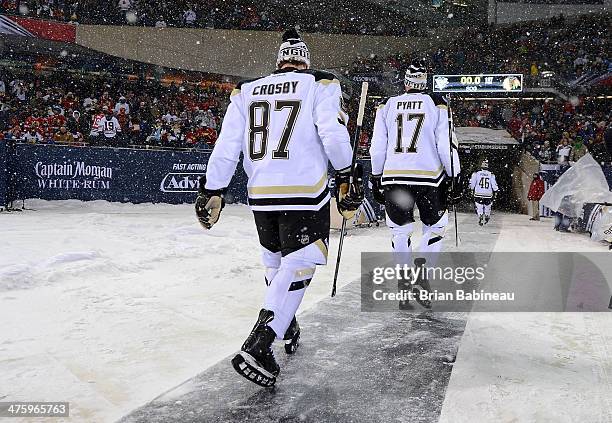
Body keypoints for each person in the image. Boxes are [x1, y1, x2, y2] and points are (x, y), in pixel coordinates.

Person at [195, 29, 363, 388]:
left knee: (276, 262)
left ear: (279, 62)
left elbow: (226, 145)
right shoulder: (321, 83)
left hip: (262, 191)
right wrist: (347, 170)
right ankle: (262, 340)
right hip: (303, 188)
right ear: (305, 61)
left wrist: (213, 188)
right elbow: (331, 134)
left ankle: (285, 322)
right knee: (301, 263)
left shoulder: (246, 90)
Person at [369, 60, 461, 308]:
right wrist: (455, 174)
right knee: (435, 227)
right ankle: (423, 276)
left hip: (394, 177)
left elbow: (377, 146)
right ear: (426, 81)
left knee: (399, 231)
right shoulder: (437, 103)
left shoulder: (387, 105)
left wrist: (376, 175)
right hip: (429, 177)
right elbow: (445, 144)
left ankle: (403, 283)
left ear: (406, 82)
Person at [469, 159, 499, 225]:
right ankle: (487, 215)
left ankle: (480, 215)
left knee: (479, 205)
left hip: (478, 193)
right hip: (488, 194)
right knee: (488, 206)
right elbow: (494, 185)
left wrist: (471, 188)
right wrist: (496, 190)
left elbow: (472, 183)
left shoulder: (476, 174)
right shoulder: (491, 175)